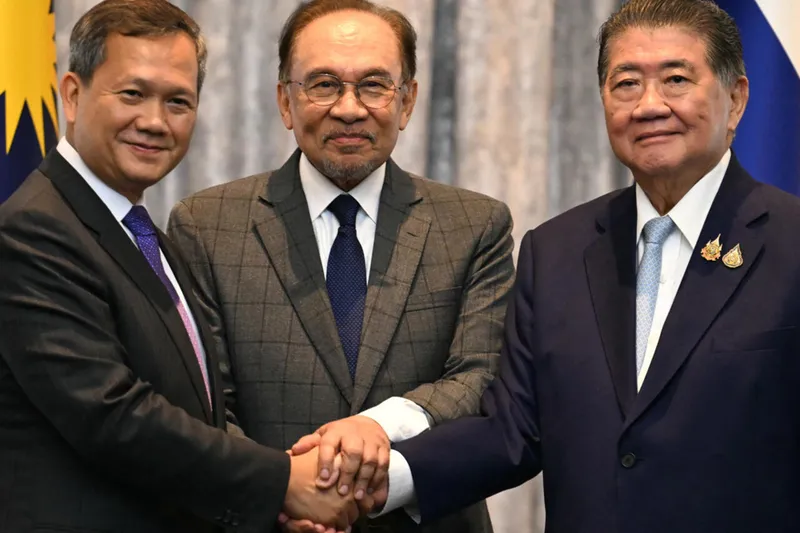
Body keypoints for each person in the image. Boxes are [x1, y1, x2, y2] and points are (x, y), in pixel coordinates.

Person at [378, 0, 800, 532]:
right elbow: (513, 430)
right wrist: (379, 479)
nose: (649, 105)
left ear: (735, 99)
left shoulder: (790, 243)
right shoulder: (556, 250)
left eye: (675, 80)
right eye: (626, 84)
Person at [0, 1, 355, 532]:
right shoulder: (33, 230)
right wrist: (283, 482)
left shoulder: (146, 235)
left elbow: (193, 412)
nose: (154, 122)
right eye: (132, 93)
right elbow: (113, 416)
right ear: (72, 95)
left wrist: (271, 512)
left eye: (178, 101)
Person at [167, 0, 514, 531]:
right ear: (285, 102)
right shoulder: (206, 225)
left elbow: (480, 376)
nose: (349, 109)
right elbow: (205, 402)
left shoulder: (475, 225)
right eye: (324, 84)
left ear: (407, 101)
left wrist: (375, 427)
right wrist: (281, 495)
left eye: (374, 85)